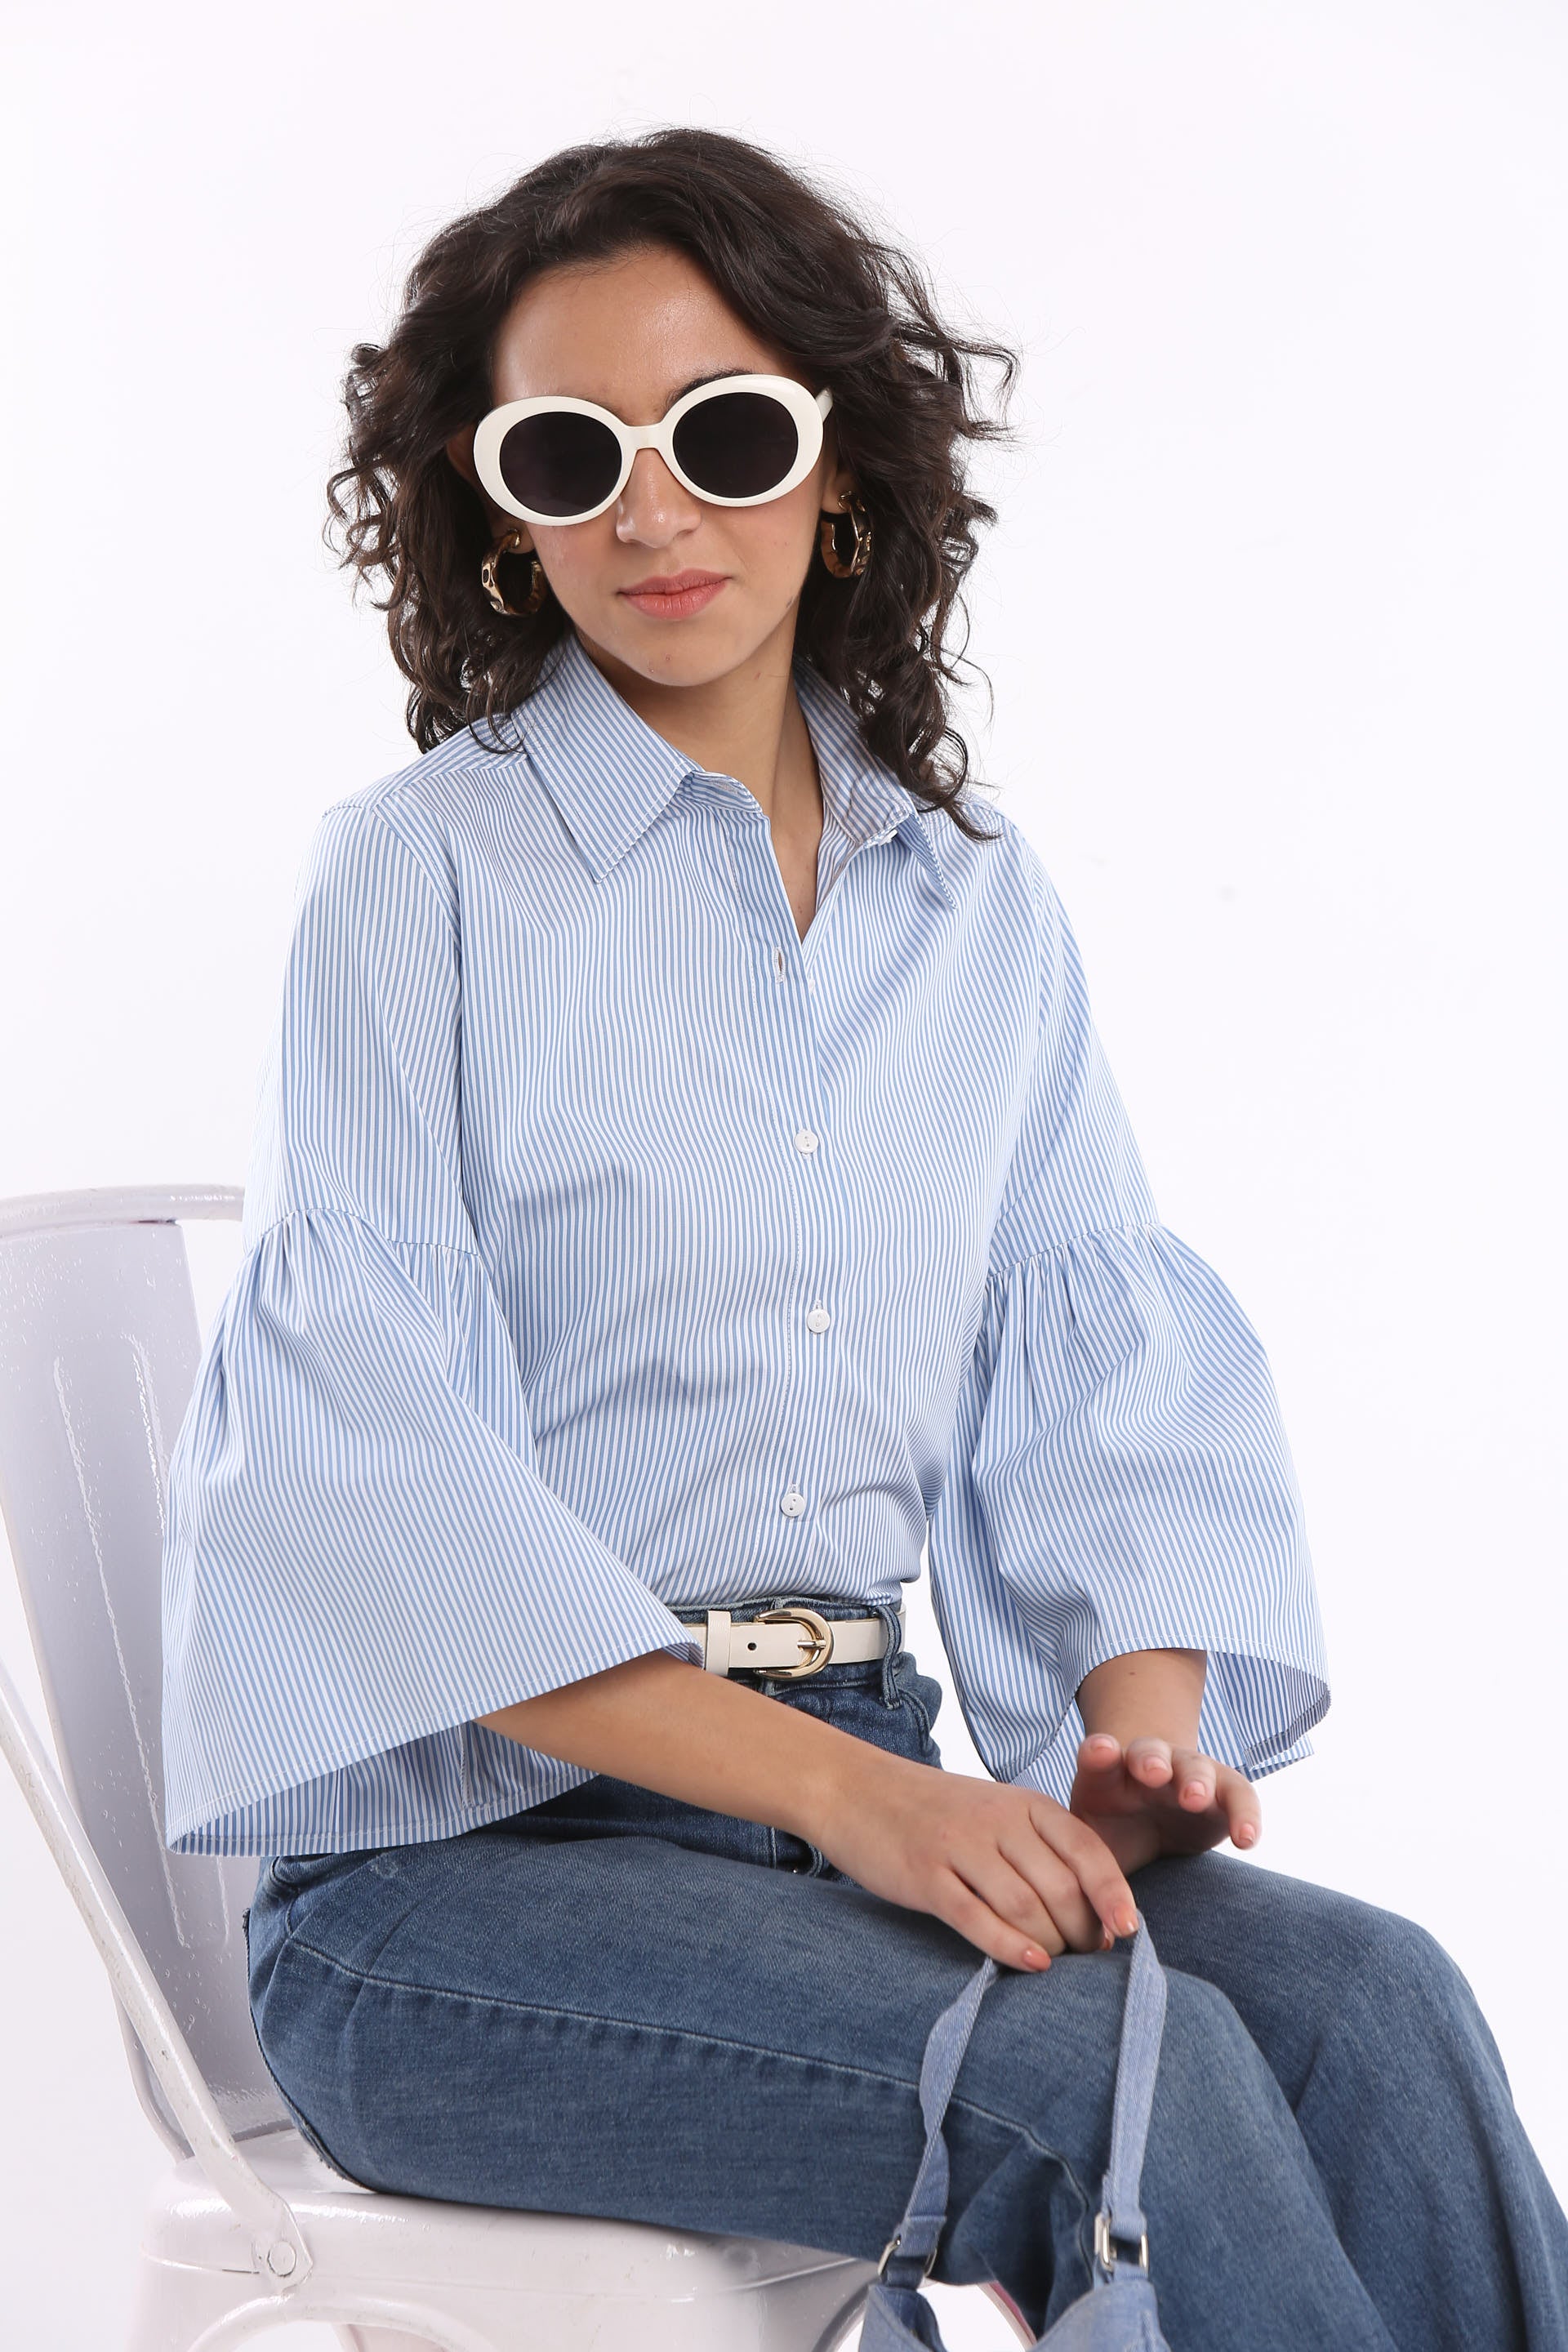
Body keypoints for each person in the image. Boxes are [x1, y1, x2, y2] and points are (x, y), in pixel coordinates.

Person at [159, 127, 1568, 2349]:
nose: (654, 513)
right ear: (499, 511)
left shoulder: (973, 905)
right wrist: (874, 1807)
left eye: (722, 435)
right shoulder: (417, 881)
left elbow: (1099, 1364)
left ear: (837, 469)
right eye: (571, 454)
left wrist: (1134, 1743)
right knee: (1120, 2077)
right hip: (456, 1902)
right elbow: (385, 1507)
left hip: (853, 1802)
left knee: (1372, 2009)